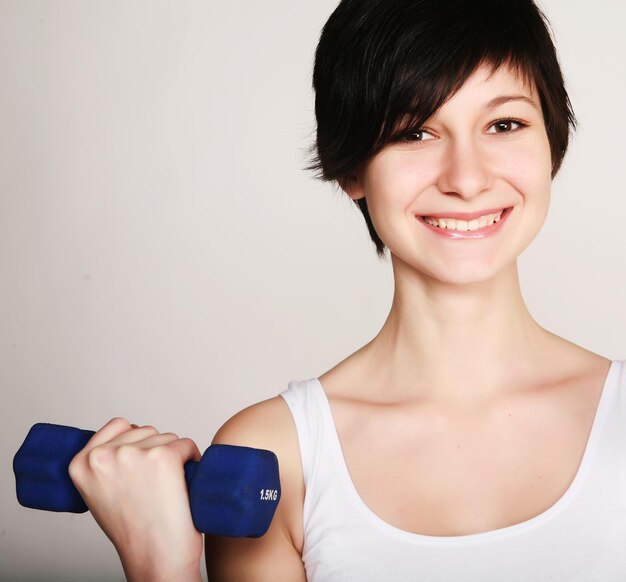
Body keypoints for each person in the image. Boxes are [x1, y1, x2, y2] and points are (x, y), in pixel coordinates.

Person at [68, 0, 626, 580]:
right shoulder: (276, 457)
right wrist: (160, 564)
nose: (467, 178)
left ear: (551, 144)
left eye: (503, 125)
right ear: (352, 168)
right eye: (415, 131)